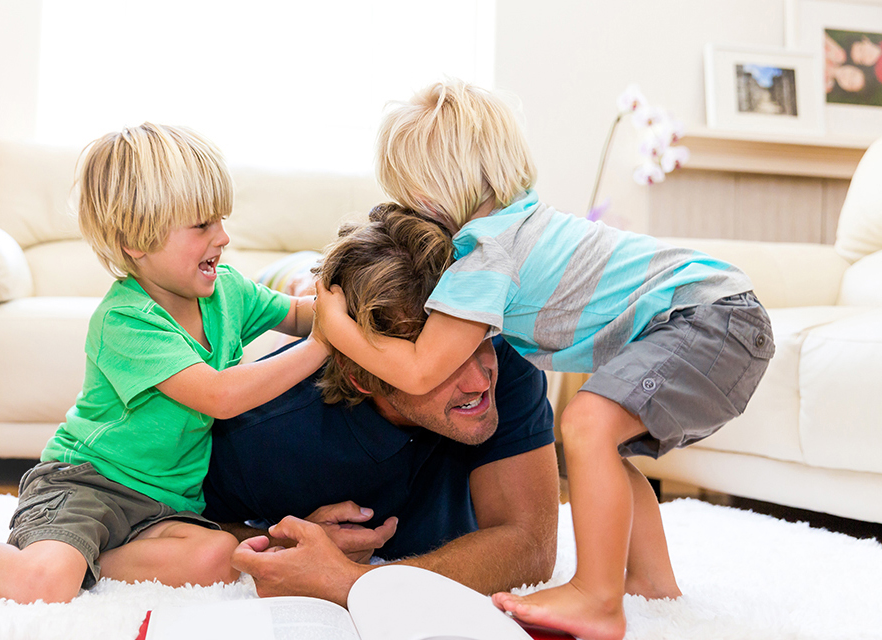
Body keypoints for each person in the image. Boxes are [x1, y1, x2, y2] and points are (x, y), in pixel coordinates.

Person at [314, 81, 774, 640]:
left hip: (709, 316)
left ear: (430, 195)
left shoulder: (487, 255)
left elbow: (419, 370)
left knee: (585, 425)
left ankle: (597, 597)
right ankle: (648, 580)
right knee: (605, 445)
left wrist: (333, 325)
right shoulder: (524, 223)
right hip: (723, 313)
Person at [0, 123, 327, 603]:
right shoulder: (126, 321)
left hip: (167, 503)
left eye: (221, 219)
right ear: (136, 241)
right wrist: (321, 346)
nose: (223, 236)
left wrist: (336, 302)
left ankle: (47, 558)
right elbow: (219, 394)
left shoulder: (228, 290)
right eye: (201, 225)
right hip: (86, 485)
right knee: (47, 586)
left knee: (220, 558)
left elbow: (305, 315)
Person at [204, 204, 558, 607]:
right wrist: (277, 538)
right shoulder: (259, 431)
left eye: (477, 344)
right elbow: (179, 526)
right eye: (442, 367)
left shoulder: (506, 353)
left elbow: (531, 545)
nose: (480, 382)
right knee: (300, 287)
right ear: (362, 377)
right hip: (288, 320)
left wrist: (353, 580)